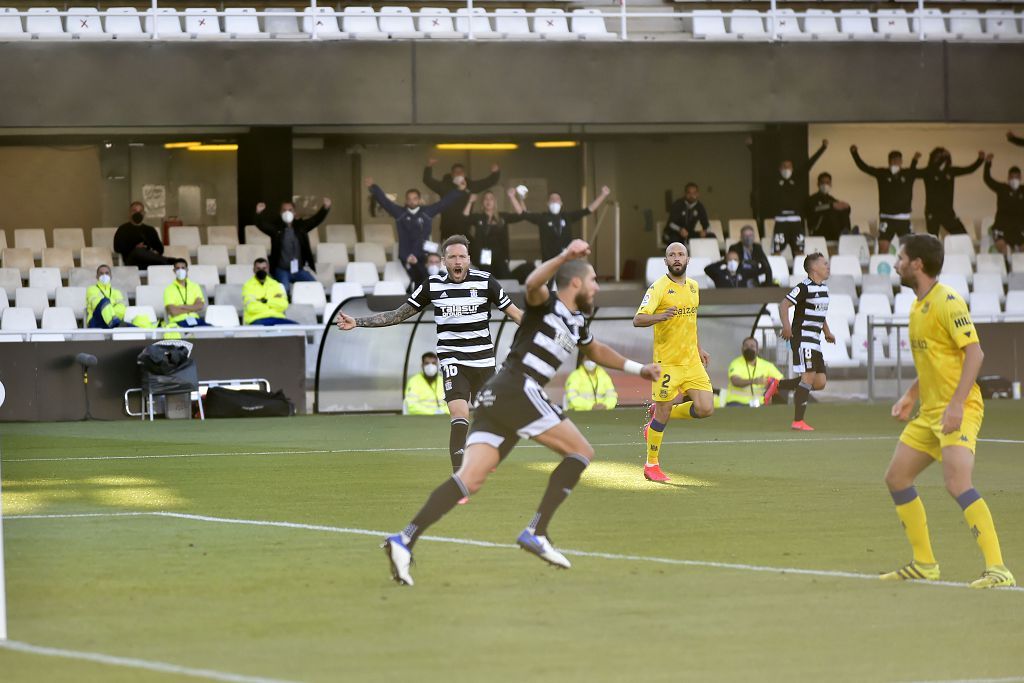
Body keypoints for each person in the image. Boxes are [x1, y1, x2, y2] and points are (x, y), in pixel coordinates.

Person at [380, 239, 660, 585]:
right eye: (593, 281)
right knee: (582, 451)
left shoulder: (576, 322)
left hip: (496, 396)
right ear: (575, 282)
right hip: (517, 389)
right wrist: (564, 256)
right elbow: (531, 285)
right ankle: (537, 531)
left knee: (470, 480)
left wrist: (638, 368)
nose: (597, 287)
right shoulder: (546, 305)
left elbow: (596, 350)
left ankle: (403, 539)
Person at [336, 235, 523, 494]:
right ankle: (460, 478)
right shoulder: (433, 285)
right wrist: (359, 321)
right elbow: (398, 314)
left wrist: (547, 331)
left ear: (469, 259)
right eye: (452, 257)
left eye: (462, 256)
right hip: (452, 359)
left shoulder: (485, 282)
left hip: (484, 361)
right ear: (443, 261)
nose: (457, 261)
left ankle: (483, 459)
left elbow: (516, 314)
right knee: (459, 413)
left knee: (492, 418)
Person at [881, 233, 1014, 589]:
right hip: (930, 412)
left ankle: (998, 568)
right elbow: (933, 361)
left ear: (917, 265)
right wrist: (911, 395)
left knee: (957, 483)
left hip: (961, 408)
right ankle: (924, 564)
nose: (897, 264)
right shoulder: (915, 307)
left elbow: (975, 354)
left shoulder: (948, 301)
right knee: (896, 478)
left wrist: (956, 405)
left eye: (901, 258)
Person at [635, 242, 714, 483]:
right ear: (666, 261)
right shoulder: (658, 287)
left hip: (691, 362)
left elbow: (691, 322)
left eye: (681, 254)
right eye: (672, 255)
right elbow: (638, 319)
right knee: (663, 414)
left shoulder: (693, 287)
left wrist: (699, 349)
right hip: (666, 363)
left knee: (705, 408)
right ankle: (651, 465)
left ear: (688, 260)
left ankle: (658, 413)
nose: (677, 258)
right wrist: (660, 316)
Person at [763, 253, 834, 431]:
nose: (828, 266)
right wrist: (786, 327)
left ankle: (778, 384)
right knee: (808, 377)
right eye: (824, 263)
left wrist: (827, 332)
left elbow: (820, 313)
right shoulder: (803, 287)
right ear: (814, 268)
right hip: (802, 338)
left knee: (819, 383)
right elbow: (784, 304)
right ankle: (798, 421)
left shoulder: (824, 288)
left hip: (815, 340)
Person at [367, 178, 462, 284]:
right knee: (418, 278)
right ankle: (416, 298)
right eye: (409, 199)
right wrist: (373, 187)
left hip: (424, 255)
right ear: (406, 200)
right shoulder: (400, 213)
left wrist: (458, 190)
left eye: (415, 198)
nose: (412, 201)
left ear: (419, 199)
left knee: (430, 277)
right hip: (407, 255)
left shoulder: (427, 212)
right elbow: (385, 202)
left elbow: (444, 203)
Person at [850, 146, 921, 255]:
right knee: (883, 248)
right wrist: (854, 154)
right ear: (888, 161)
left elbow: (922, 171)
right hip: (886, 219)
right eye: (892, 160)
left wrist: (915, 160)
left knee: (908, 251)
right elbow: (865, 168)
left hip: (904, 219)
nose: (895, 162)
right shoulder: (882, 173)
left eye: (897, 160)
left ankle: (906, 271)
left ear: (901, 162)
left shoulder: (908, 174)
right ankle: (882, 271)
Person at [514, 186, 612, 262]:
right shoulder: (542, 218)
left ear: (561, 203)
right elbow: (523, 214)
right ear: (547, 203)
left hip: (566, 258)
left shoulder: (567, 216)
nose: (555, 202)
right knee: (551, 286)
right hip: (549, 260)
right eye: (552, 200)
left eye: (557, 200)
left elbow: (589, 210)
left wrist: (603, 194)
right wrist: (516, 198)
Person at [255, 198, 330, 292]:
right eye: (284, 210)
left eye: (290, 210)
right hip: (282, 270)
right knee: (284, 290)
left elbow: (315, 220)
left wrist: (325, 208)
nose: (287, 213)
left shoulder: (301, 227)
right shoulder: (276, 229)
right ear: (280, 213)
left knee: (316, 287)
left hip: (298, 270)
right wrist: (258, 213)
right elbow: (262, 225)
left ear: (294, 213)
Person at [769, 140, 828, 256]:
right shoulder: (774, 180)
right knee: (776, 251)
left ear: (792, 167)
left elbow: (809, 164)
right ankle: (776, 273)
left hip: (796, 222)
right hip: (780, 222)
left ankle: (800, 273)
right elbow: (764, 163)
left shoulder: (797, 178)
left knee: (799, 251)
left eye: (789, 166)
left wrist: (823, 148)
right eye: (784, 166)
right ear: (779, 168)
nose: (786, 169)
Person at [422, 159, 501, 241]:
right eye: (456, 172)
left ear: (465, 174)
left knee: (465, 252)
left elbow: (488, 182)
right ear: (452, 175)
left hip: (465, 228)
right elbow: (428, 180)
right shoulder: (444, 187)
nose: (459, 174)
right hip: (447, 228)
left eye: (461, 172)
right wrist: (429, 166)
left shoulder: (471, 187)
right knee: (448, 252)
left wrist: (496, 172)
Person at [921, 148, 984, 237]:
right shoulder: (928, 172)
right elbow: (912, 173)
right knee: (932, 240)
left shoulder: (951, 171)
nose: (942, 159)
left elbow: (969, 169)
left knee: (962, 236)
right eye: (939, 156)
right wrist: (914, 161)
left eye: (944, 156)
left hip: (947, 212)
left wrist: (980, 160)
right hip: (932, 212)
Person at [462, 189, 524, 279]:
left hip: (501, 253)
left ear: (495, 202)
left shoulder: (502, 217)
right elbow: (464, 218)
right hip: (484, 253)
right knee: (487, 278)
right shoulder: (479, 217)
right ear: (482, 203)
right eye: (486, 199)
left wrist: (512, 197)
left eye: (491, 199)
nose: (488, 201)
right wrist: (470, 201)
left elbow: (520, 214)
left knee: (504, 277)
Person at [982, 154, 1024, 256]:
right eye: (1012, 177)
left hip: (1019, 228)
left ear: (1021, 177)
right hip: (1001, 227)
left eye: (1017, 177)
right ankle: (1007, 262)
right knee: (1004, 249)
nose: (1015, 180)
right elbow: (987, 179)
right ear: (1008, 177)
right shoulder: (1002, 188)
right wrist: (987, 164)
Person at [724, 337, 783, 407]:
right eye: (746, 346)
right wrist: (754, 381)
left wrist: (770, 388)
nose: (749, 348)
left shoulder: (767, 365)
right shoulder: (735, 363)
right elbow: (735, 381)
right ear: (742, 349)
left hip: (760, 403)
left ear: (758, 350)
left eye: (752, 346)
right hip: (736, 402)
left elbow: (781, 381)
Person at [113, 202, 173, 269]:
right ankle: (169, 261)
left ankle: (167, 262)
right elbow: (117, 248)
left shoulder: (150, 230)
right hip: (132, 262)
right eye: (134, 211)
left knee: (150, 257)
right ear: (130, 213)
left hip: (149, 261)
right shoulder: (123, 229)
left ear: (144, 213)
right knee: (139, 251)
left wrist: (153, 251)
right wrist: (135, 247)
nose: (138, 213)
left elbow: (160, 248)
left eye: (140, 211)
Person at [242, 258, 297, 326]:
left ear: (268, 269)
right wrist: (273, 304)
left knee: (299, 329)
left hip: (277, 318)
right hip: (256, 319)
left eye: (264, 268)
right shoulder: (248, 286)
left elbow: (283, 305)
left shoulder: (276, 284)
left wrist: (265, 301)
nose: (261, 270)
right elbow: (251, 308)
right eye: (258, 268)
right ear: (254, 270)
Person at [163, 258, 211, 328]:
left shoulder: (195, 286)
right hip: (178, 322)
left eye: (183, 268)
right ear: (174, 271)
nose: (180, 270)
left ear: (187, 270)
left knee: (212, 331)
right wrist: (192, 308)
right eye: (178, 268)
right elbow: (173, 311)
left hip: (196, 320)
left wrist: (182, 306)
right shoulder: (168, 289)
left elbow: (200, 306)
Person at [805, 172, 852, 240]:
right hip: (818, 229)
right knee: (831, 212)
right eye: (822, 182)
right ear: (818, 184)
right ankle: (842, 235)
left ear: (830, 184)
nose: (825, 185)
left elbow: (840, 207)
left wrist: (847, 207)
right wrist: (831, 206)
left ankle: (847, 234)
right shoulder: (812, 199)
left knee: (842, 210)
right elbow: (815, 209)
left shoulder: (832, 199)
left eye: (827, 182)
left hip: (832, 230)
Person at [663, 183, 713, 247]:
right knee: (675, 240)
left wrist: (705, 232)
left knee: (711, 236)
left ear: (698, 194)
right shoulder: (678, 204)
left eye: (694, 193)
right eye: (689, 193)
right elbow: (671, 224)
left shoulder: (699, 206)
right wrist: (680, 229)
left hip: (689, 233)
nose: (691, 195)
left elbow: (706, 225)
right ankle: (676, 256)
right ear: (685, 194)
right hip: (674, 233)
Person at [86, 264, 128, 328]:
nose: (104, 275)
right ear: (97, 277)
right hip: (96, 321)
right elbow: (96, 304)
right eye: (101, 273)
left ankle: (113, 323)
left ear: (111, 276)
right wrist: (113, 303)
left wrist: (110, 313)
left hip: (113, 321)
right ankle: (114, 324)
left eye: (107, 273)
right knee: (104, 301)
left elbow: (122, 309)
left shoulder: (117, 292)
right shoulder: (91, 289)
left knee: (135, 328)